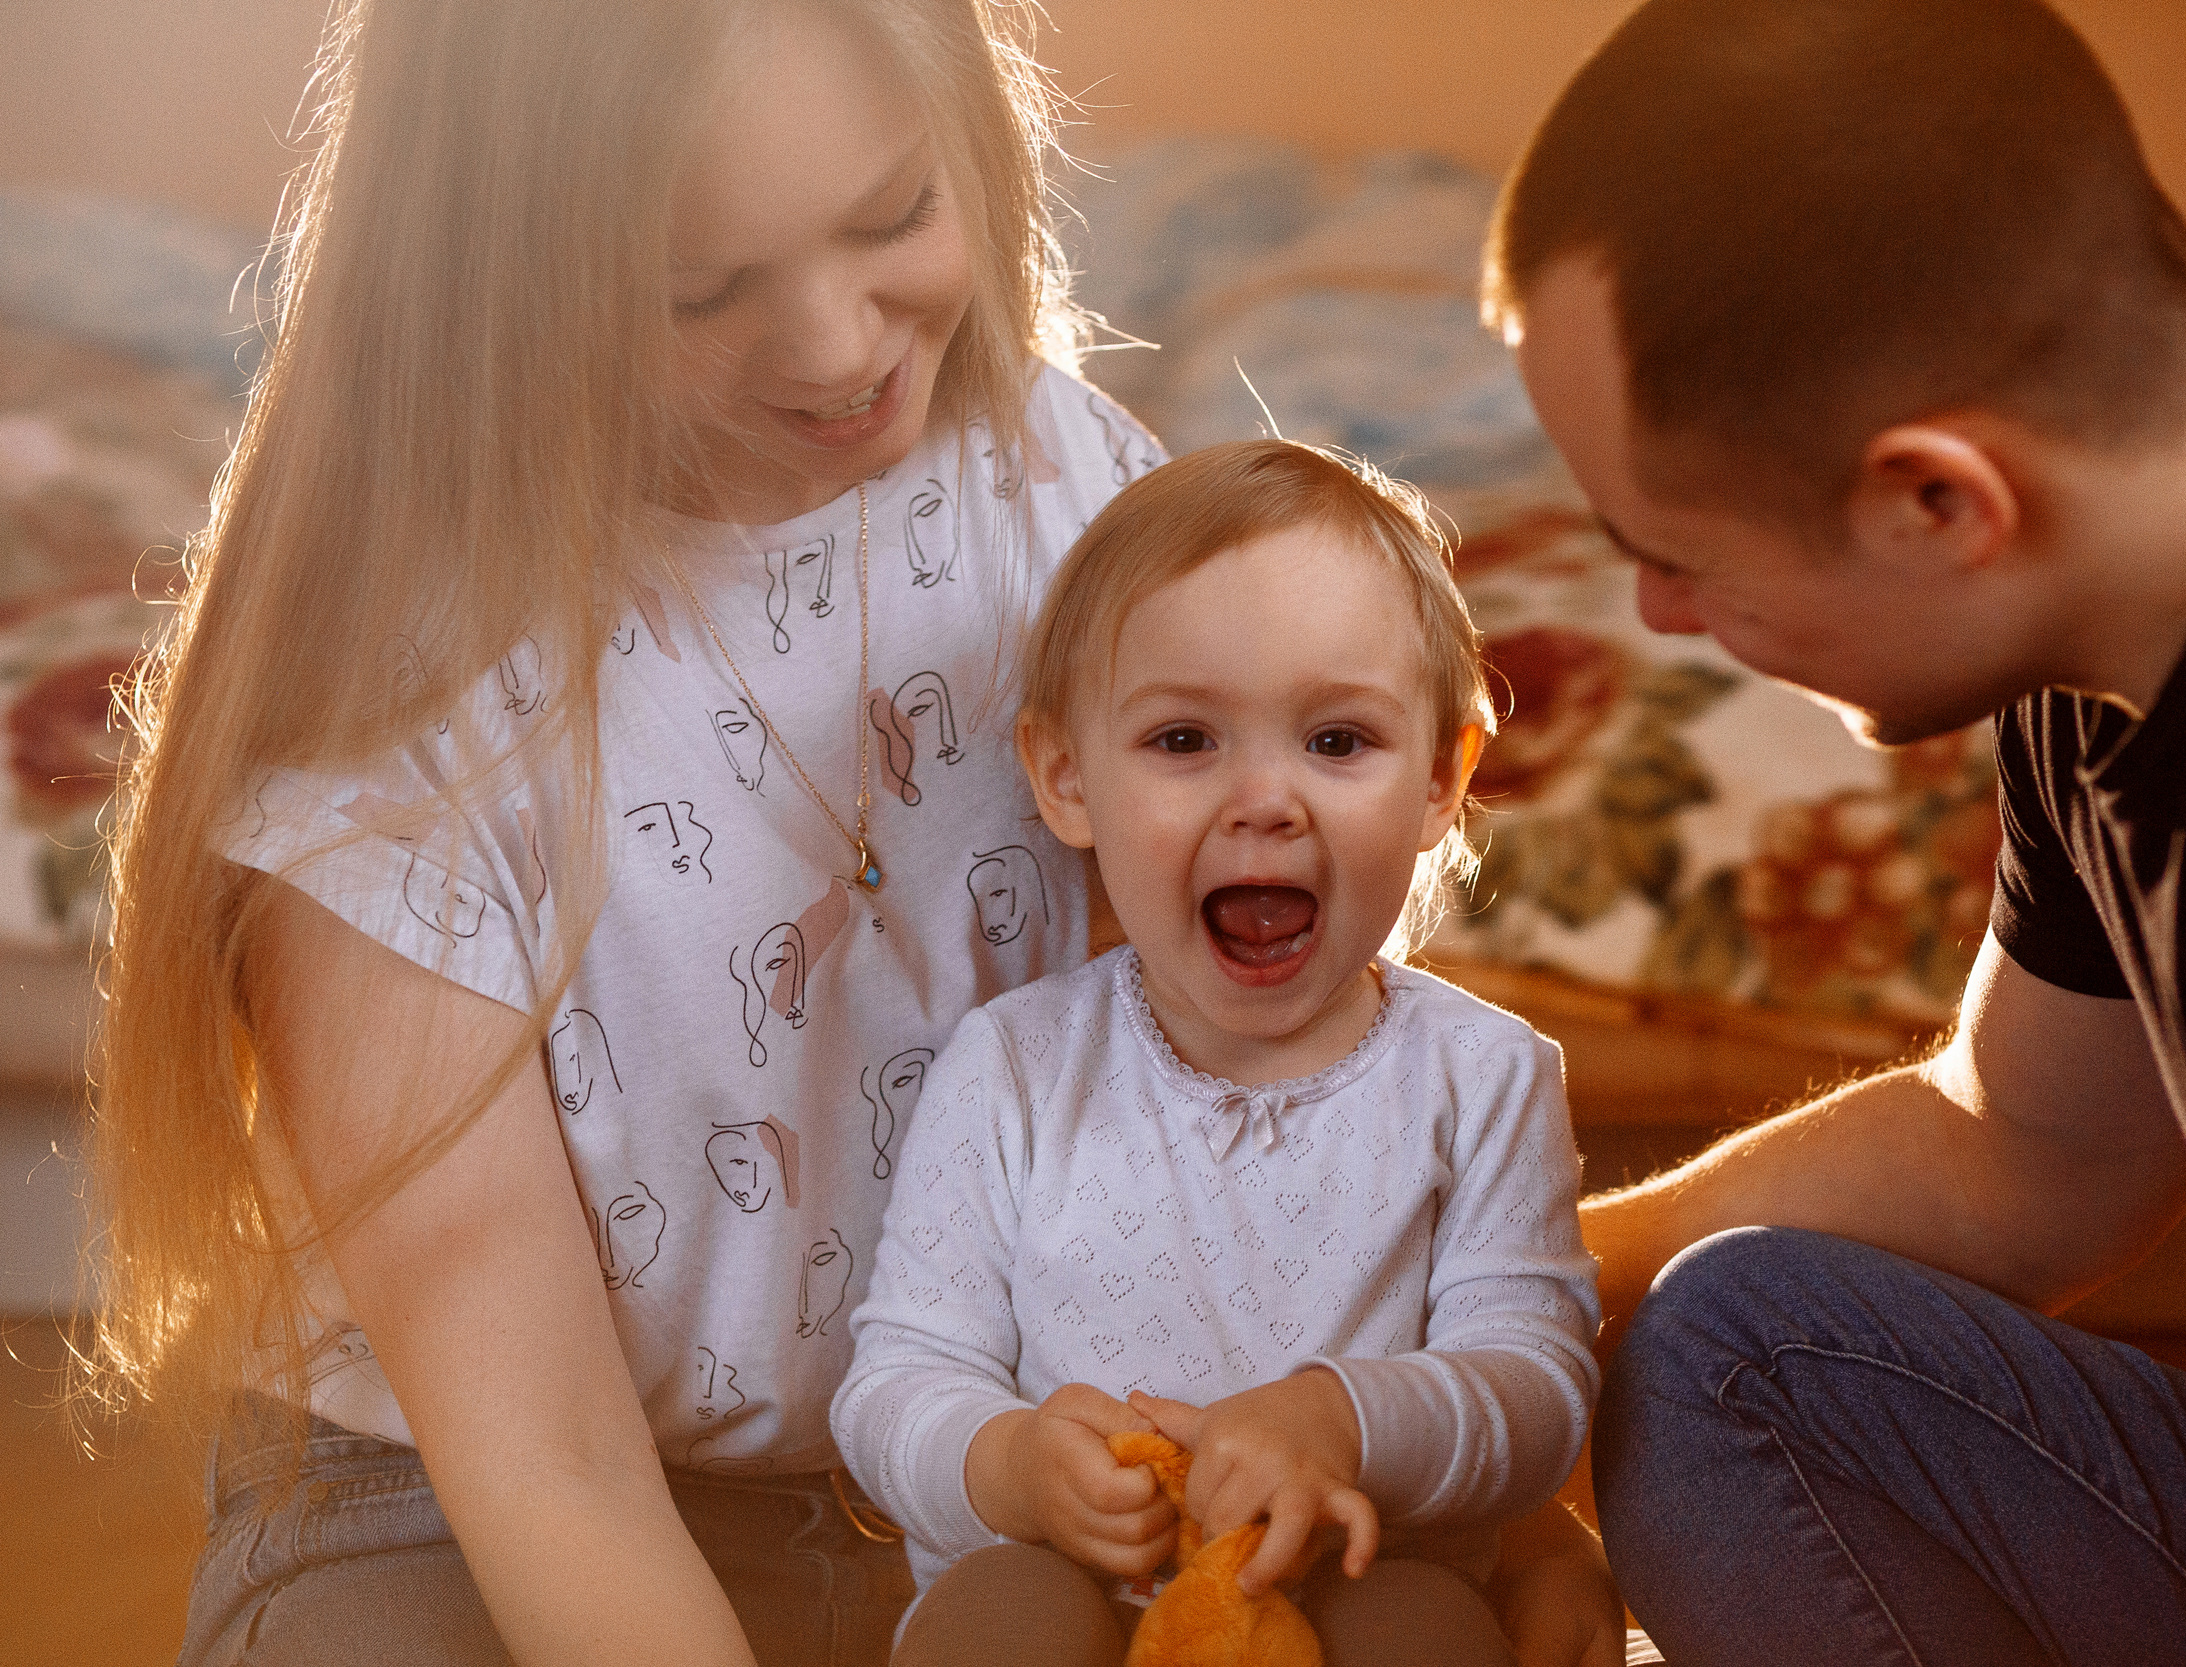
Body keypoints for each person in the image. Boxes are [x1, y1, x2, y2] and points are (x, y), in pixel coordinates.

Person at [93, 1, 1164, 1661]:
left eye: (892, 218)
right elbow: (551, 1467)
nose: (831, 346)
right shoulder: (391, 690)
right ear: (489, 278)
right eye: (696, 291)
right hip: (461, 1503)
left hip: (972, 1470)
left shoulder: (1073, 496)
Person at [1481, 1, 2186, 1662]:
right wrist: (1513, 1274)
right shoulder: (2114, 635)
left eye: (1677, 548)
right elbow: (2023, 1150)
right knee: (1729, 1339)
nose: (1656, 615)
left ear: (1940, 501)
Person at [832, 440, 1604, 1665]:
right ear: (1065, 775)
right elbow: (897, 1382)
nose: (1266, 800)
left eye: (1338, 743)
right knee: (990, 1621)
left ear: (1441, 780)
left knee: (1428, 1626)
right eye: (1185, 740)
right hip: (1075, 1577)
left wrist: (1340, 1422)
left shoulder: (1483, 1076)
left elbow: (1536, 1388)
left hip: (1356, 1565)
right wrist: (1015, 1467)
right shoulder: (1015, 1066)